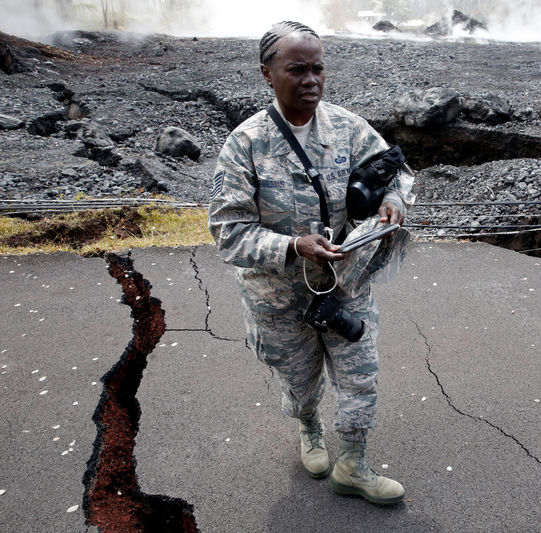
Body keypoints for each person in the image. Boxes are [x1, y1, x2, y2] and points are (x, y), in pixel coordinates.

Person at [208, 21, 414, 506]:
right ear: (267, 73)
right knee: (301, 384)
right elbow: (228, 232)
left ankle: (354, 465)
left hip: (346, 286)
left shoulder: (346, 126)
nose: (311, 80)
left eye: (318, 68)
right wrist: (293, 246)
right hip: (280, 298)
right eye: (296, 69)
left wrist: (394, 203)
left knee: (361, 375)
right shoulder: (246, 145)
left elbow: (398, 170)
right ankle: (308, 428)